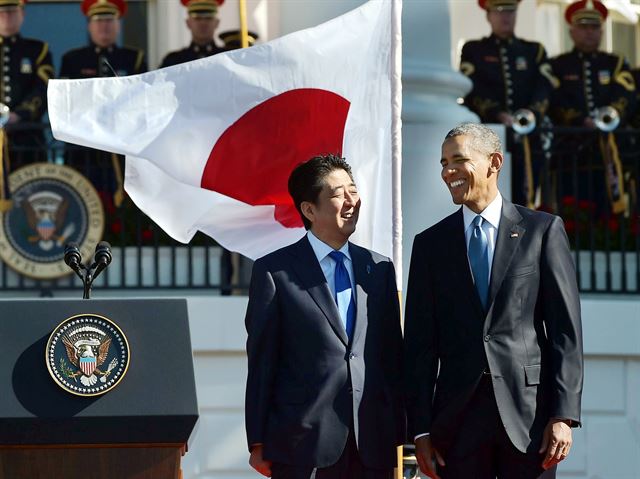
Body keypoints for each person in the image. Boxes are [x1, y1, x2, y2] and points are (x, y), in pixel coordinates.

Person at [404, 123, 583, 479]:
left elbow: (565, 332)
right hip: (456, 425)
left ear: (494, 162)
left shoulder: (542, 231)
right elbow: (419, 348)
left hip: (530, 421)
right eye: (443, 163)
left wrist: (562, 415)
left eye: (458, 160)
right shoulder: (430, 245)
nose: (448, 172)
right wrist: (420, 431)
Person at [244, 154, 404, 479]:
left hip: (372, 444)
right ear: (309, 210)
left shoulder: (380, 269)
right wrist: (258, 440)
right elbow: (263, 362)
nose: (350, 201)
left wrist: (407, 429)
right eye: (337, 193)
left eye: (353, 190)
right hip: (303, 445)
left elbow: (392, 357)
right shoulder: (275, 272)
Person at [460, 0, 557, 208]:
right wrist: (497, 113)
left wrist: (531, 114)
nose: (505, 17)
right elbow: (472, 87)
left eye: (511, 11)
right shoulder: (474, 50)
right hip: (490, 139)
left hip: (529, 141)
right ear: (488, 15)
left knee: (527, 200)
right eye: (499, 11)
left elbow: (545, 86)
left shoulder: (534, 51)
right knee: (491, 198)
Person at [549, 0, 635, 216]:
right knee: (571, 211)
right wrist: (580, 121)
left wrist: (609, 117)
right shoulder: (558, 65)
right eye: (584, 27)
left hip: (609, 153)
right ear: (572, 31)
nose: (589, 32)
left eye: (594, 27)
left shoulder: (616, 63)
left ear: (602, 31)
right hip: (570, 154)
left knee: (608, 214)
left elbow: (626, 94)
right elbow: (554, 100)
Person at [0, 0, 54, 165]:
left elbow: (43, 88)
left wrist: (19, 115)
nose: (7, 16)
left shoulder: (38, 50)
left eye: (12, 11)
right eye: (2, 11)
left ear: (22, 14)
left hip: (29, 141)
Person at [59, 0, 146, 79]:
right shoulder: (73, 60)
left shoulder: (134, 59)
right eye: (99, 20)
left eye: (109, 20)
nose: (104, 25)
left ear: (118, 25)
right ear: (89, 26)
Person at [160, 0, 225, 68]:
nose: (203, 23)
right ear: (188, 23)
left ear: (217, 22)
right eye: (197, 18)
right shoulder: (173, 61)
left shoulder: (227, 59)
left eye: (208, 18)